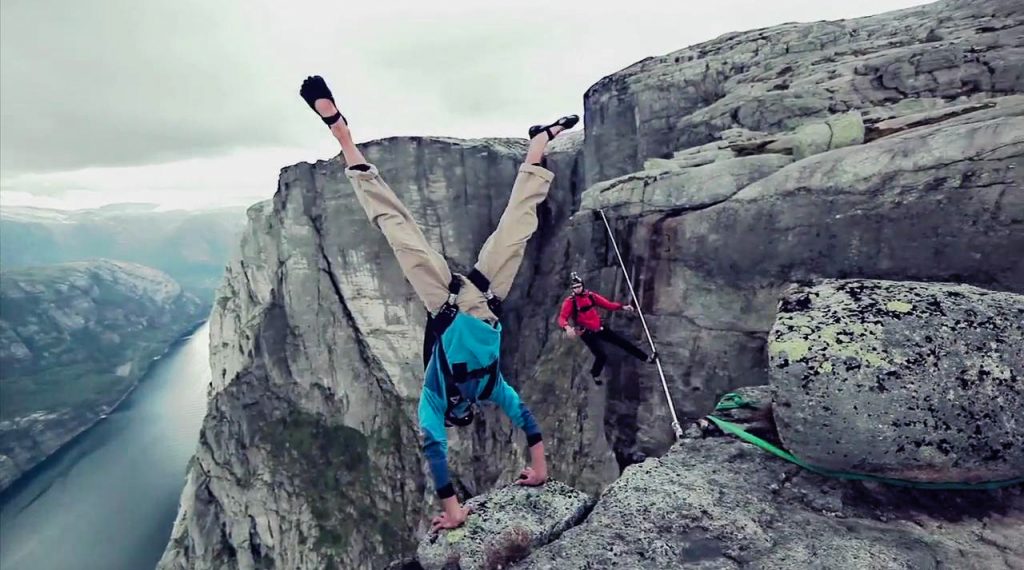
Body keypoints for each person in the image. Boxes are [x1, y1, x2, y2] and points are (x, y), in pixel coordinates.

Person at [299, 75, 578, 532]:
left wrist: (453, 510)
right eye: (463, 414)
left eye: (459, 414)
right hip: (487, 296)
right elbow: (525, 420)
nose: (462, 411)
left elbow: (436, 452)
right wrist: (541, 469)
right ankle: (538, 145)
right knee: (517, 225)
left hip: (445, 300)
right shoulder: (490, 388)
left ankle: (343, 135)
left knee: (396, 225)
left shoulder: (433, 396)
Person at [557, 272, 656, 384]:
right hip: (586, 332)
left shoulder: (590, 296)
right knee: (601, 355)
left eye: (579, 286)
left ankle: (647, 358)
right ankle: (595, 374)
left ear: (582, 285)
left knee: (622, 342)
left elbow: (607, 304)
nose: (578, 289)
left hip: (599, 327)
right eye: (575, 288)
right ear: (572, 289)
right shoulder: (570, 302)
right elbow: (562, 318)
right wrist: (567, 327)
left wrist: (622, 307)